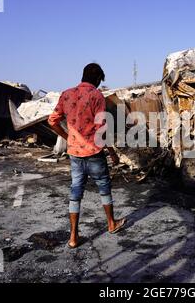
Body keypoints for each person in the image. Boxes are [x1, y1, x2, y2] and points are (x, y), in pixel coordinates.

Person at [48, 63, 126, 249]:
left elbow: (52, 121)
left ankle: (73, 237)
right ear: (98, 79)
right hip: (94, 153)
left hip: (75, 154)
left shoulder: (66, 94)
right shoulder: (96, 96)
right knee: (104, 188)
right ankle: (111, 223)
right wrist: (112, 152)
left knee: (76, 192)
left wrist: (68, 137)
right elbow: (101, 129)